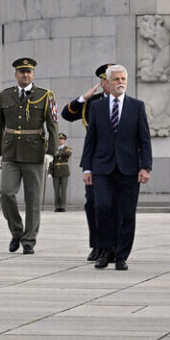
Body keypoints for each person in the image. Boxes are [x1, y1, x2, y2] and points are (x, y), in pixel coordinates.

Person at [82, 64, 152, 271]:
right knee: (102, 208)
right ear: (108, 83)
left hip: (129, 168)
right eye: (116, 79)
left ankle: (121, 255)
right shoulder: (96, 107)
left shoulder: (136, 106)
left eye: (123, 79)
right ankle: (105, 250)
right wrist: (87, 168)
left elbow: (144, 139)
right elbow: (90, 140)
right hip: (102, 168)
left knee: (126, 213)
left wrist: (145, 167)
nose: (120, 82)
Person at [0, 57, 58, 255]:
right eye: (22, 72)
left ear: (33, 74)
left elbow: (53, 127)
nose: (25, 75)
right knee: (6, 193)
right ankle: (16, 231)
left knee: (33, 200)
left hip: (35, 153)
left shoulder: (45, 95)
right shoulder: (5, 95)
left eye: (28, 72)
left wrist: (51, 153)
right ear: (16, 74)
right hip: (11, 153)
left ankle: (29, 240)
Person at [61, 63, 113, 260]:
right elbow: (67, 115)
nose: (108, 83)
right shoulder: (92, 102)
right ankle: (97, 244)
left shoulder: (127, 102)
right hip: (96, 158)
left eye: (112, 78)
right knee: (93, 204)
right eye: (105, 79)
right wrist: (83, 98)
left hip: (117, 159)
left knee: (112, 205)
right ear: (101, 82)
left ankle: (112, 246)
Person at [51, 132, 72, 212]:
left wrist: (58, 153)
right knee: (56, 190)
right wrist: (50, 172)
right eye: (59, 139)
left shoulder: (67, 148)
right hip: (55, 170)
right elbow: (51, 159)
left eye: (62, 139)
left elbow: (67, 154)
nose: (60, 141)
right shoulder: (54, 148)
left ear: (65, 140)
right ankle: (57, 206)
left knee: (63, 189)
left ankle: (62, 206)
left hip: (64, 171)